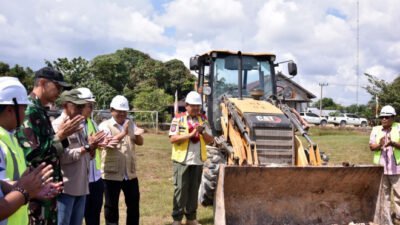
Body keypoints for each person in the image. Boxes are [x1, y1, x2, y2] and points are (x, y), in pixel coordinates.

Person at [16, 67, 82, 225]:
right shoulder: (29, 110)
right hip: (35, 190)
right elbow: (33, 154)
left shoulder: (40, 109)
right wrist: (59, 136)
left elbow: (50, 149)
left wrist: (62, 137)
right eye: (57, 87)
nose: (59, 92)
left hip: (47, 188)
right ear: (43, 83)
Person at [0, 77, 62, 224]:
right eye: (23, 107)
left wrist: (33, 190)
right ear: (10, 109)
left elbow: (3, 183)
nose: (25, 111)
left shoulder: (10, 137)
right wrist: (24, 191)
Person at [52, 89, 106, 225]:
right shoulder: (59, 126)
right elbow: (62, 157)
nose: (80, 109)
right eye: (77, 106)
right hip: (67, 188)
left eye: (82, 106)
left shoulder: (79, 124)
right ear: (65, 105)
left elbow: (86, 154)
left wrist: (92, 148)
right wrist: (87, 147)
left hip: (82, 185)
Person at [169, 91, 214, 225]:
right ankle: (177, 219)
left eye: (198, 106)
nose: (195, 108)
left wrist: (203, 132)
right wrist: (190, 135)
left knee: (194, 191)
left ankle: (191, 218)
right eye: (193, 105)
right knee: (180, 190)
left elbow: (210, 140)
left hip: (197, 160)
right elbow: (173, 138)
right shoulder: (178, 119)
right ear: (187, 105)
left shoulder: (203, 120)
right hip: (182, 160)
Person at [98, 95, 144, 225]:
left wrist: (137, 134)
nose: (121, 114)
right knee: (111, 206)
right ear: (111, 110)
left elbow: (140, 142)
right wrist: (124, 132)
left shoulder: (130, 123)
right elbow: (108, 143)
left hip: (129, 173)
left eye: (124, 111)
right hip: (111, 173)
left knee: (134, 205)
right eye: (118, 111)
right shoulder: (104, 125)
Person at [77, 88, 105, 225]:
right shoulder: (73, 125)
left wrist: (102, 143)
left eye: (92, 106)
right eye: (89, 106)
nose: (91, 109)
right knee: (77, 217)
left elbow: (97, 143)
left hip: (96, 178)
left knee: (94, 216)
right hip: (82, 180)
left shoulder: (92, 123)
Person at [369, 105, 400, 225]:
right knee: (384, 196)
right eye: (382, 117)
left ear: (393, 117)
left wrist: (393, 143)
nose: (384, 119)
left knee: (399, 195)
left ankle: (398, 217)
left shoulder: (399, 128)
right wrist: (380, 145)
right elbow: (371, 147)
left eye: (387, 117)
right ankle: (385, 220)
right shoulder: (376, 129)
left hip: (397, 168)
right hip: (381, 169)